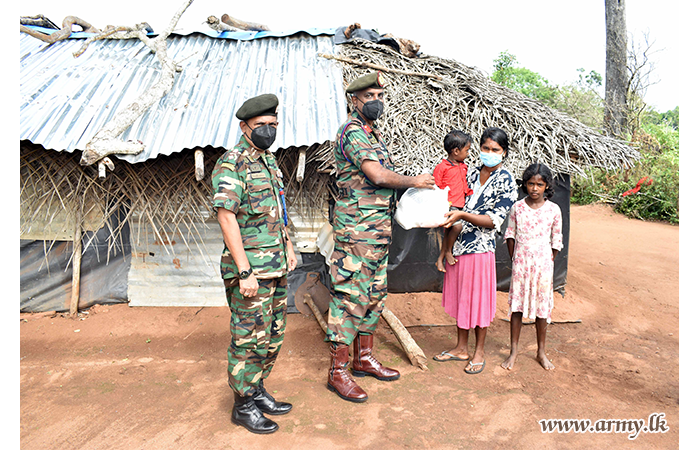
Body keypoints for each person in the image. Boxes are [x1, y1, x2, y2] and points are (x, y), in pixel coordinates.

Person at [327, 71, 435, 402]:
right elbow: (375, 174)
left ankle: (363, 358)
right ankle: (337, 371)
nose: (376, 102)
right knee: (349, 297)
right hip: (357, 231)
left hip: (376, 231)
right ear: (354, 100)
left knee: (374, 294)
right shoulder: (352, 133)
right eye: (369, 97)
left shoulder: (372, 135)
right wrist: (413, 181)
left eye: (379, 96)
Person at [211, 93, 297, 434]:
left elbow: (278, 210)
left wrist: (288, 245)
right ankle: (243, 405)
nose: (268, 131)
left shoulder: (269, 161)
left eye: (273, 125)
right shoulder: (232, 163)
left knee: (272, 335)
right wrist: (245, 270)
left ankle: (257, 390)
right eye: (261, 125)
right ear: (244, 126)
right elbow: (226, 217)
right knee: (249, 339)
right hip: (251, 272)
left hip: (275, 265)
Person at [433, 127, 518, 374]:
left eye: (495, 150)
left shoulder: (506, 180)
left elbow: (495, 220)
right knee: (462, 298)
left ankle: (479, 350)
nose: (489, 153)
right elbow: (450, 200)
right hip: (457, 247)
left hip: (480, 249)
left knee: (478, 302)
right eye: (485, 148)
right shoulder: (468, 172)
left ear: (504, 153)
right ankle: (461, 347)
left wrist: (462, 215)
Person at [501, 163, 563, 371]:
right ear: (525, 184)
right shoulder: (517, 208)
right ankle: (514, 351)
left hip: (543, 265)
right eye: (530, 184)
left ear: (547, 186)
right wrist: (517, 258)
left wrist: (546, 259)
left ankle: (541, 351)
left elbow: (556, 241)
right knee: (517, 307)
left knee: (542, 308)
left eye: (539, 184)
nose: (534, 189)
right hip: (521, 264)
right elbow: (510, 235)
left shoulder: (554, 210)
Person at [433, 130, 473, 273]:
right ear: (456, 151)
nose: (468, 154)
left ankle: (440, 259)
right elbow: (436, 187)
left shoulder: (463, 166)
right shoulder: (442, 167)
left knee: (448, 233)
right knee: (457, 227)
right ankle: (449, 251)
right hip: (448, 205)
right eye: (467, 150)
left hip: (460, 205)